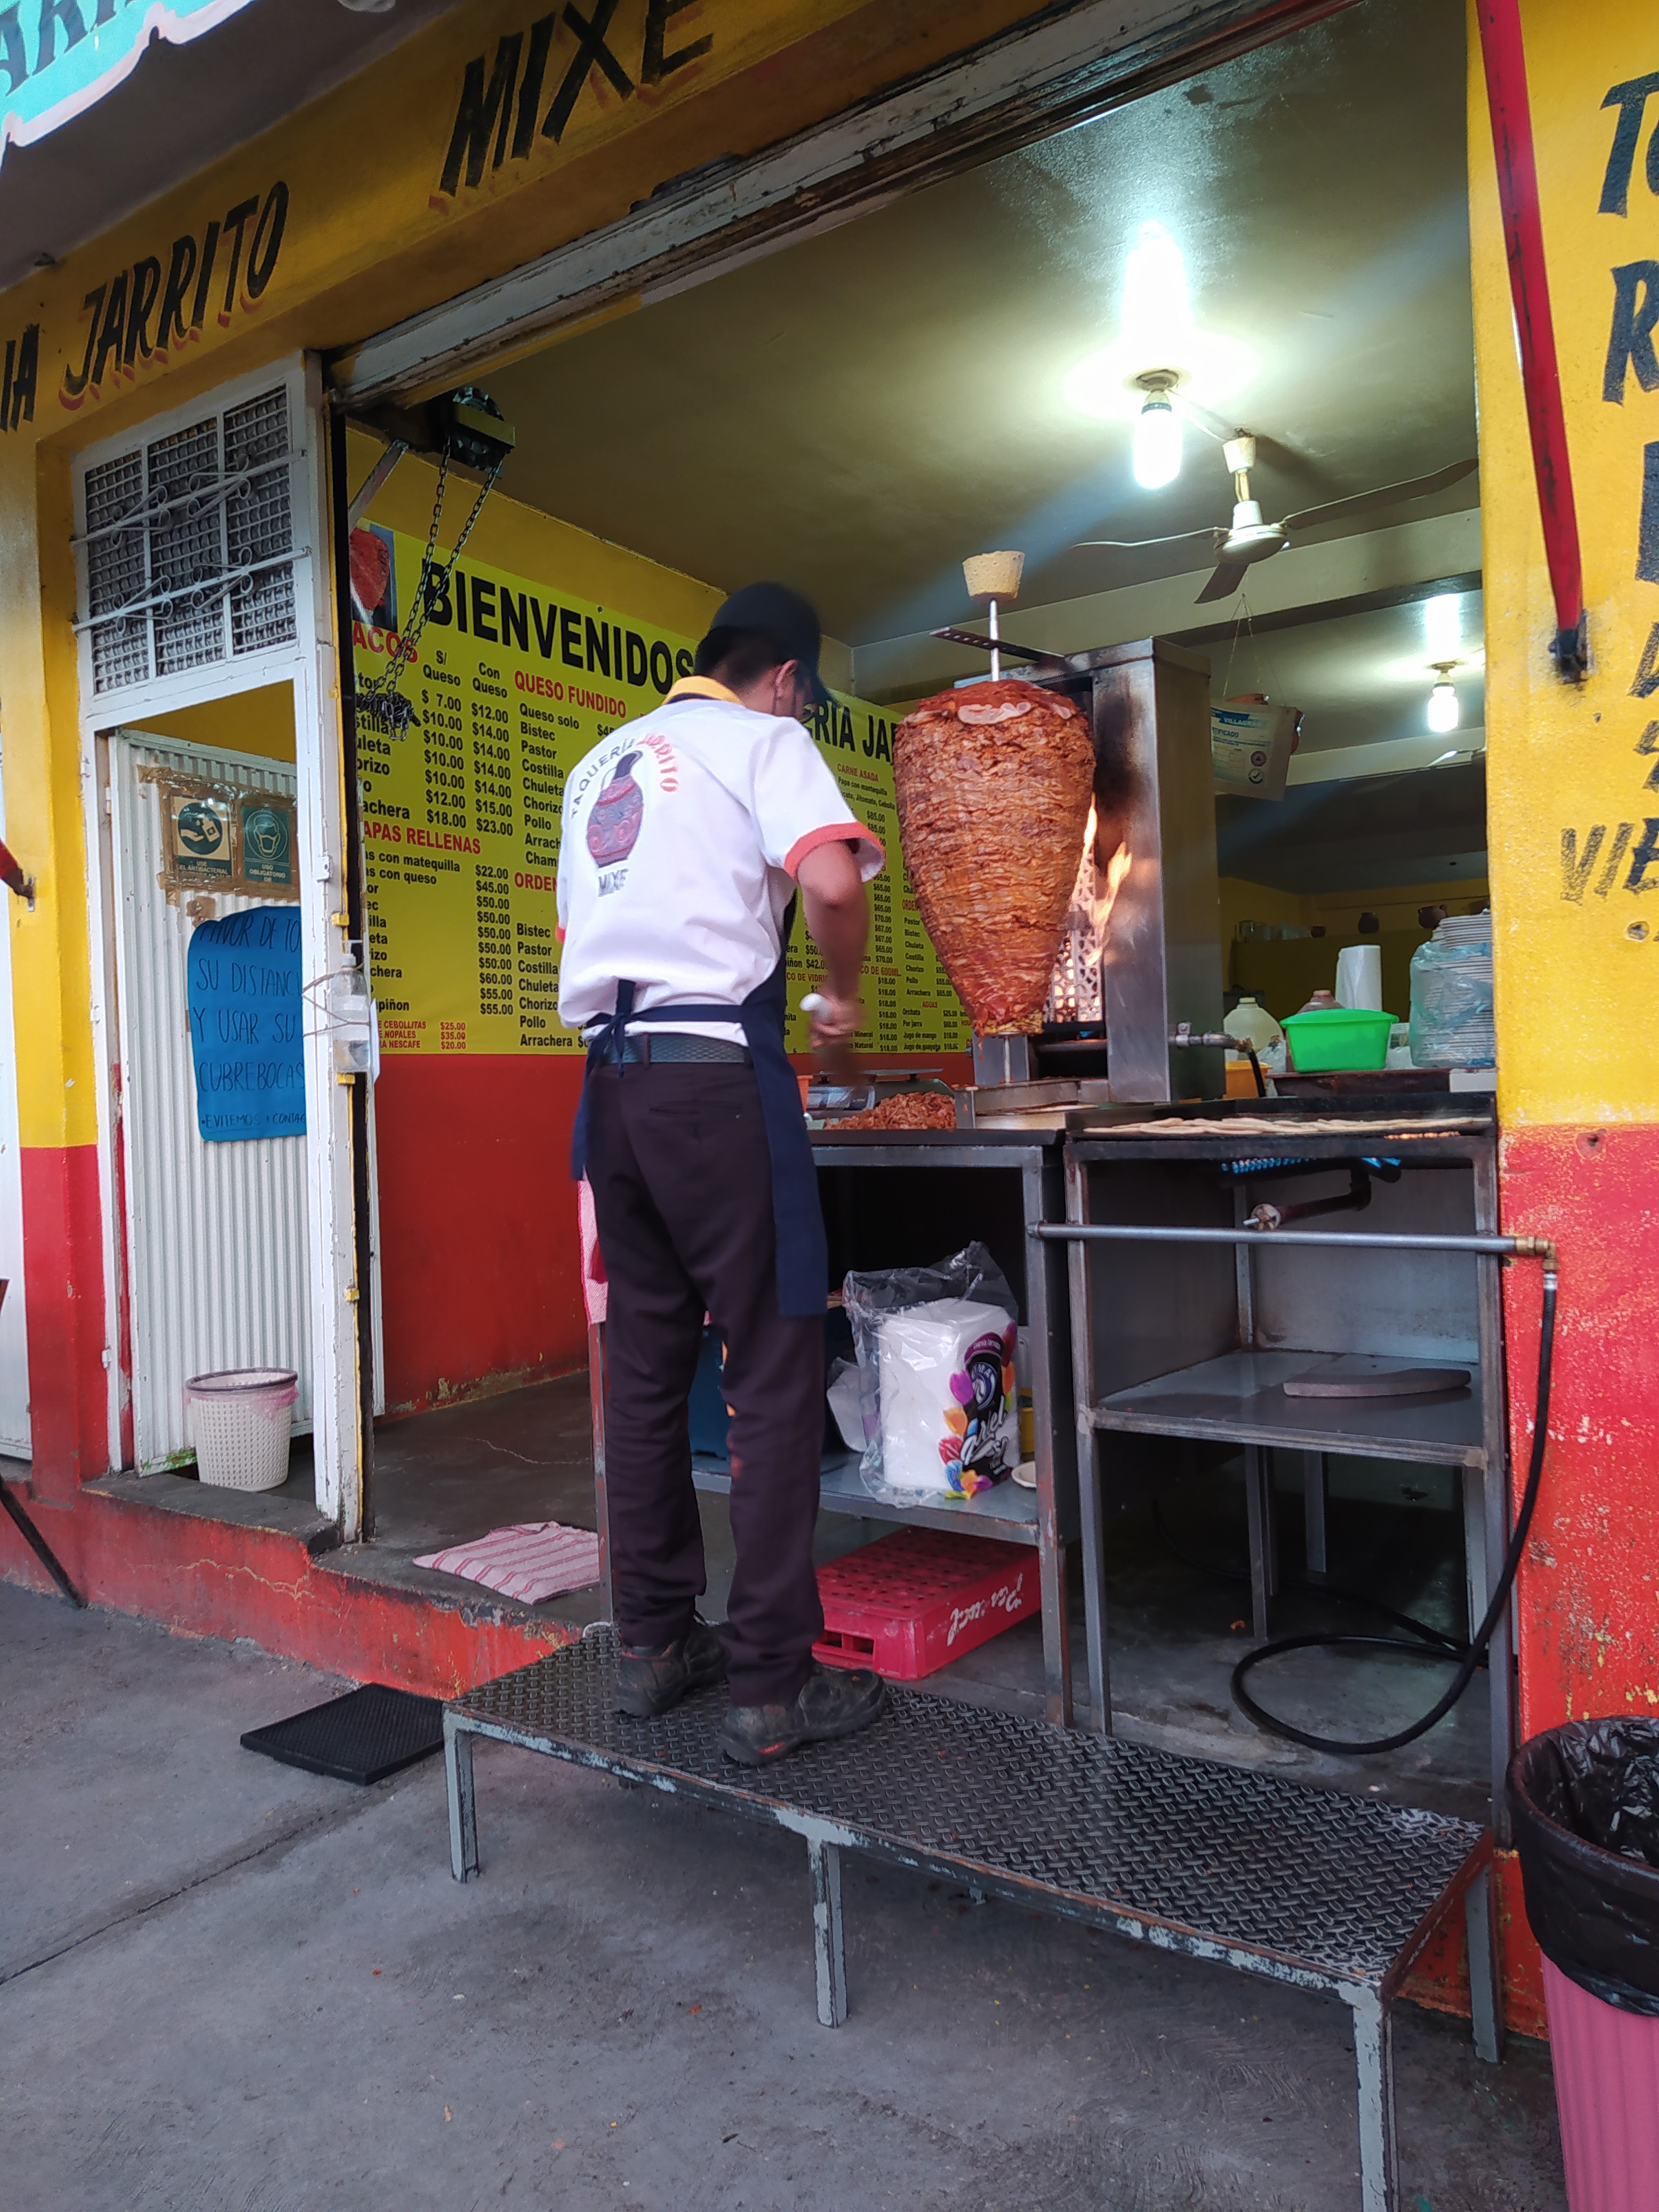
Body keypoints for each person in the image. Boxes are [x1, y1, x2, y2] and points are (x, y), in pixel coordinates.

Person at [558, 582, 889, 1765]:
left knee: (646, 1367)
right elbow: (834, 881)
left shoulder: (598, 768)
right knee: (775, 1362)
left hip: (611, 1087)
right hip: (714, 1079)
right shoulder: (767, 742)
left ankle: (652, 1646)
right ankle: (771, 1683)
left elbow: (580, 943)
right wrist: (842, 996)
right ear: (788, 677)